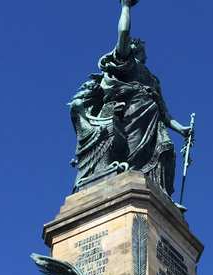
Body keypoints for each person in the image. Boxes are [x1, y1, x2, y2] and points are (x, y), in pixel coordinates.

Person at [70, 0, 193, 195]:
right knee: (131, 162)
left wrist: (182, 130)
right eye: (141, 48)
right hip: (132, 119)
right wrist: (125, 6)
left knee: (167, 150)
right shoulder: (127, 62)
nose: (145, 52)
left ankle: (158, 196)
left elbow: (164, 113)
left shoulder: (153, 79)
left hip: (152, 125)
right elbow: (123, 34)